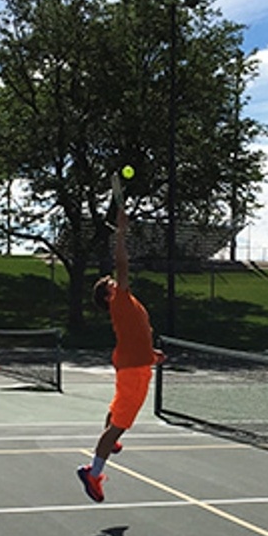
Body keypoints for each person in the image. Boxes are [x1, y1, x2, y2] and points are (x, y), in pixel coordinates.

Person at [76, 194, 164, 502]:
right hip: (133, 370)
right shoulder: (121, 300)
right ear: (108, 296)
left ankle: (108, 443)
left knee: (117, 410)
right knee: (119, 425)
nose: (117, 282)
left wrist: (151, 354)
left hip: (135, 363)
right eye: (112, 284)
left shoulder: (126, 307)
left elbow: (137, 335)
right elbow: (122, 263)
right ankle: (94, 471)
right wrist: (121, 233)